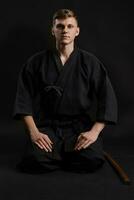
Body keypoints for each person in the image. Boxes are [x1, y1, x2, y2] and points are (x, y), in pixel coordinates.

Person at [13, 9, 118, 174]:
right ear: (53, 30)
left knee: (92, 160)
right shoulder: (36, 62)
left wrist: (94, 132)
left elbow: (107, 99)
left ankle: (61, 156)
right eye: (60, 26)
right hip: (47, 127)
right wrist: (34, 133)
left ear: (77, 31)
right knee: (33, 161)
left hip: (79, 127)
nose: (65, 31)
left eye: (70, 26)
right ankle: (64, 156)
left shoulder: (90, 62)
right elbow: (23, 100)